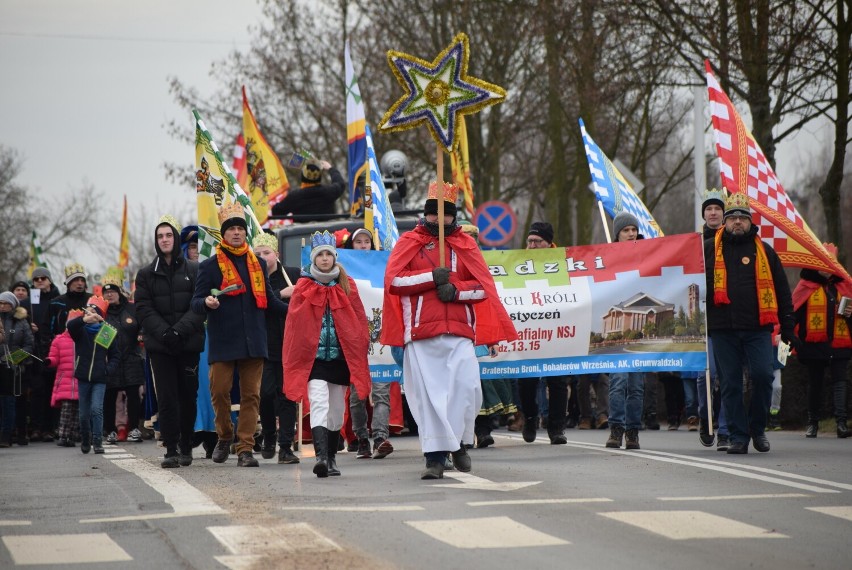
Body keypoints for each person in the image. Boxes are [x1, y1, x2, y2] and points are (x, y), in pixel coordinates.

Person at [381, 181, 517, 480]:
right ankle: (435, 458)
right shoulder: (408, 241)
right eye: (434, 214)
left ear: (452, 216)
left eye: (445, 215)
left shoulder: (466, 244)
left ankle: (458, 444)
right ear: (426, 214)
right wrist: (431, 277)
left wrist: (455, 290)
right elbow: (394, 281)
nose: (439, 220)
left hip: (459, 331)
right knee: (430, 398)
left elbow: (483, 288)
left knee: (466, 391)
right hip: (421, 333)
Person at [192, 203, 288, 468]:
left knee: (251, 396)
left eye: (239, 228)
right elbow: (196, 302)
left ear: (245, 233)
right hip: (223, 341)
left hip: (254, 340)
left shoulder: (257, 262)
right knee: (220, 392)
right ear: (223, 234)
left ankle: (245, 447)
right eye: (231, 229)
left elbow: (269, 299)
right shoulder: (210, 266)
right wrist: (207, 303)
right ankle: (224, 436)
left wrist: (294, 312)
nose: (236, 233)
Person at [704, 193, 795, 454]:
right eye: (732, 218)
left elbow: (782, 291)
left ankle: (758, 428)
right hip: (722, 329)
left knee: (764, 376)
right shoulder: (710, 249)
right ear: (725, 221)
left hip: (757, 328)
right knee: (730, 383)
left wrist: (788, 327)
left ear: (750, 222)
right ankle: (738, 436)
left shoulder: (764, 251)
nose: (736, 223)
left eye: (742, 218)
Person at [282, 231, 370, 478]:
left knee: (336, 410)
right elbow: (295, 325)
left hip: (340, 359)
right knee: (319, 403)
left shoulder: (346, 284)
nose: (324, 259)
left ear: (334, 257)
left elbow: (358, 321)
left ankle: (331, 457)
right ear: (314, 258)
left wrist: (358, 347)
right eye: (319, 255)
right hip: (315, 359)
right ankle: (320, 457)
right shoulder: (303, 286)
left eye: (328, 255)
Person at [135, 215, 207, 468]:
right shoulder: (145, 274)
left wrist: (179, 332)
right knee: (166, 398)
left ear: (176, 239)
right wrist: (166, 333)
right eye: (159, 236)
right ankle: (171, 449)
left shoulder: (195, 270)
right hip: (161, 347)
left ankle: (187, 444)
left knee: (188, 397)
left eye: (168, 235)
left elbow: (199, 307)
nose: (164, 240)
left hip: (188, 344)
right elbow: (143, 308)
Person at [342, 227, 396, 459]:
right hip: (357, 343)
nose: (363, 245)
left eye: (366, 241)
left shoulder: (382, 266)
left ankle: (381, 437)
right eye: (358, 242)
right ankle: (362, 437)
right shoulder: (343, 271)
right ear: (351, 246)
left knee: (382, 393)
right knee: (357, 395)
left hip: (380, 339)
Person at [791, 244, 852, 438]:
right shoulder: (805, 286)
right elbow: (794, 312)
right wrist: (788, 336)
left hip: (840, 343)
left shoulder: (844, 284)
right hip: (814, 345)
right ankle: (813, 423)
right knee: (815, 383)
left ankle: (841, 423)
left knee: (840, 382)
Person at [519, 222, 571, 445]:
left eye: (537, 241)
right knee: (526, 380)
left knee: (558, 381)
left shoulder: (564, 262)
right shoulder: (518, 262)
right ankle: (530, 417)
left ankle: (556, 427)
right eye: (529, 241)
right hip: (529, 331)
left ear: (549, 243)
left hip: (556, 330)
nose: (532, 245)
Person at [252, 232, 302, 463]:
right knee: (265, 393)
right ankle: (269, 434)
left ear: (277, 254)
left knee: (287, 395)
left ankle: (285, 446)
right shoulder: (255, 278)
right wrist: (281, 295)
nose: (262, 257)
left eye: (266, 253)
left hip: (290, 344)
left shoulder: (292, 274)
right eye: (258, 254)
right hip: (264, 345)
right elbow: (257, 307)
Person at [605, 212, 646, 450]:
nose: (631, 234)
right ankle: (616, 428)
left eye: (633, 229)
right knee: (618, 382)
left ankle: (633, 431)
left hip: (638, 333)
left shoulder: (646, 254)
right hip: (617, 331)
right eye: (626, 230)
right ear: (617, 235)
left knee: (637, 385)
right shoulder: (607, 257)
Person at [697, 188, 729, 449]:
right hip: (704, 319)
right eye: (709, 209)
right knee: (706, 375)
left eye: (717, 208)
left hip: (728, 316)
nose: (713, 212)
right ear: (704, 214)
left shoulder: (732, 241)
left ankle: (726, 428)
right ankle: (706, 419)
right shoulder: (694, 244)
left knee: (727, 375)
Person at [67, 295, 118, 454]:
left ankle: (97, 441)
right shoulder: (80, 331)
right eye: (86, 313)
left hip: (99, 378)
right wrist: (84, 319)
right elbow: (71, 326)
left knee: (97, 409)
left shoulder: (106, 332)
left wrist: (107, 369)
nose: (89, 315)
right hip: (83, 377)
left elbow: (116, 355)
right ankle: (85, 438)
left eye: (92, 313)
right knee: (84, 414)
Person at [101, 273, 145, 445]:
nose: (109, 294)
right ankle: (110, 430)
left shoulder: (132, 309)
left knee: (134, 395)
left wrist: (141, 335)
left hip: (131, 358)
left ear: (119, 292)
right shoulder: (102, 313)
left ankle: (134, 428)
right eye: (106, 293)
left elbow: (142, 325)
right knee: (110, 396)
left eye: (112, 291)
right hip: (110, 360)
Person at [28, 267, 61, 443]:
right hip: (34, 351)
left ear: (49, 280)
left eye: (43, 278)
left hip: (53, 350)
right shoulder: (29, 302)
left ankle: (50, 428)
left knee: (51, 391)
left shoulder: (57, 300)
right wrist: (29, 326)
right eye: (36, 279)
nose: (40, 281)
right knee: (37, 391)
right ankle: (35, 428)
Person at [0, 291, 35, 448]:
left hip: (14, 368)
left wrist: (13, 359)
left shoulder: (21, 321)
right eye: (0, 303)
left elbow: (29, 345)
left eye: (6, 303)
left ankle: (9, 435)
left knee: (12, 402)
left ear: (13, 304)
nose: (2, 306)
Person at [45, 309, 82, 447]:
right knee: (67, 410)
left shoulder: (85, 338)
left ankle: (74, 434)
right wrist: (49, 361)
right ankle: (64, 435)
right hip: (65, 379)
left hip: (81, 379)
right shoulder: (59, 339)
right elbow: (54, 357)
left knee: (79, 411)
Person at [270, 158, 345, 221]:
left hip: (301, 237)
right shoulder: (329, 192)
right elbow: (340, 184)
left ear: (302, 176)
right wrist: (330, 169)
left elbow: (276, 211)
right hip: (327, 236)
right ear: (319, 177)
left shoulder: (294, 196)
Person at [49, 264, 89, 337]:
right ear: (69, 283)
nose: (80, 283)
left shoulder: (92, 299)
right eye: (76, 280)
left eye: (82, 280)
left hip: (88, 345)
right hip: (63, 345)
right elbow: (47, 330)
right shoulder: (56, 302)